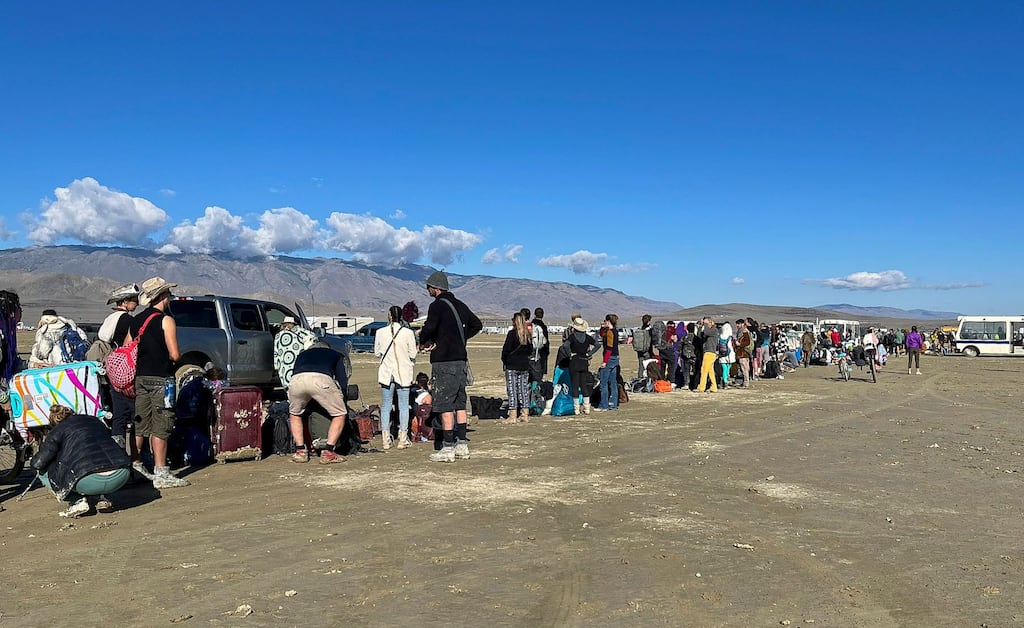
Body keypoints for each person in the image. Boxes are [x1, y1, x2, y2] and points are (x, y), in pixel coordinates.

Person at [128, 277, 188, 488]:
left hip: (139, 378)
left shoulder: (136, 321)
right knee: (162, 424)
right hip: (161, 378)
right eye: (168, 295)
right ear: (163, 296)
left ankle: (135, 465)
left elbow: (128, 347)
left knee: (140, 425)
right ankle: (161, 471)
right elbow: (174, 354)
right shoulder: (166, 320)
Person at [417, 270, 482, 463]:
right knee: (459, 403)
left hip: (444, 361)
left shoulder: (437, 306)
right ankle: (462, 444)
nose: (428, 291)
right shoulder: (460, 305)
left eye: (428, 288)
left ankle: (447, 448)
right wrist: (459, 339)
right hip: (460, 360)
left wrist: (425, 341)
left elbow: (429, 327)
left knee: (445, 404)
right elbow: (476, 324)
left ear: (435, 289)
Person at [30, 405, 131, 518]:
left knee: (44, 469)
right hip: (121, 472)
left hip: (89, 479)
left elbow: (38, 463)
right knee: (99, 456)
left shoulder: (57, 430)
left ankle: (77, 501)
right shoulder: (94, 420)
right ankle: (104, 498)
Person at [287, 341, 350, 464]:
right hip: (320, 380)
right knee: (340, 414)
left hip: (296, 380)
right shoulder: (335, 354)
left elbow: (295, 372)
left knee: (295, 414)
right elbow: (342, 380)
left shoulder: (302, 354)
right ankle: (328, 452)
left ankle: (300, 451)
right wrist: (343, 397)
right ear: (327, 347)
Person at [97, 283, 141, 453]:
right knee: (134, 412)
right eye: (134, 300)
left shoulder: (110, 319)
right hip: (127, 371)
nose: (136, 303)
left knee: (118, 414)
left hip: (112, 369)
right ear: (125, 301)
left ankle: (117, 453)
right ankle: (137, 455)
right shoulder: (128, 321)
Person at [374, 305, 419, 449]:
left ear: (389, 316)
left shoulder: (380, 332)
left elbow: (376, 352)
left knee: (386, 405)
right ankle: (403, 438)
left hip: (386, 372)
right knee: (403, 406)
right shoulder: (408, 333)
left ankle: (386, 439)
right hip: (403, 373)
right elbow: (413, 354)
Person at [500, 311, 533, 424]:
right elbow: (530, 350)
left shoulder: (511, 334)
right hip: (524, 366)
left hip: (512, 366)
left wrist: (505, 360)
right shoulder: (527, 335)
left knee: (512, 390)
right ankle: (525, 414)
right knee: (523, 390)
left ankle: (512, 415)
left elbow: (505, 351)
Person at [564, 314, 598, 414]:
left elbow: (565, 345)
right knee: (584, 385)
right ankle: (587, 408)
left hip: (574, 362)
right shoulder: (587, 337)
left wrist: (570, 354)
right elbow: (597, 345)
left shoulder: (572, 337)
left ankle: (576, 409)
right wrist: (589, 353)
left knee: (575, 386)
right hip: (584, 362)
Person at [273, 315, 317, 389]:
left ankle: (290, 396)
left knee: (287, 382)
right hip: (297, 361)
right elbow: (313, 336)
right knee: (297, 380)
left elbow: (276, 352)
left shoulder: (278, 335)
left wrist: (276, 365)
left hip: (284, 364)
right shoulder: (300, 331)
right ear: (293, 324)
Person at [0, 290, 23, 414]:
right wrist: (3, 399)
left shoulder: (8, 332)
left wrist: (34, 365)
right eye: (19, 308)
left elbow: (13, 362)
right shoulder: (2, 334)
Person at [596, 314, 620, 411]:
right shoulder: (614, 331)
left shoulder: (610, 333)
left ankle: (604, 405)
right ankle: (613, 404)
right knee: (613, 382)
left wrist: (605, 361)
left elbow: (609, 348)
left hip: (609, 358)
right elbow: (602, 334)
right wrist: (602, 327)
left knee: (604, 383)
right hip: (615, 358)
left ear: (608, 321)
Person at [697, 317, 720, 393]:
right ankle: (714, 386)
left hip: (710, 352)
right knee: (710, 371)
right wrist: (700, 327)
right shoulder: (708, 330)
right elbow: (700, 336)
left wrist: (705, 324)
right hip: (707, 352)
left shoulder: (714, 330)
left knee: (704, 370)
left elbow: (706, 332)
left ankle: (702, 387)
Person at [531, 307, 549, 379]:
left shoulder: (531, 325)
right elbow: (545, 341)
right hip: (541, 352)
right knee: (539, 374)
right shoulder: (543, 327)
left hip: (531, 352)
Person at [734, 319, 753, 388]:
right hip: (743, 353)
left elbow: (747, 342)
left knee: (744, 368)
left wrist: (739, 344)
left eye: (738, 324)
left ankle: (746, 383)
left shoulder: (744, 331)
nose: (737, 325)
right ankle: (744, 382)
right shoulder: (742, 331)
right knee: (744, 368)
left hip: (743, 353)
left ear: (742, 324)